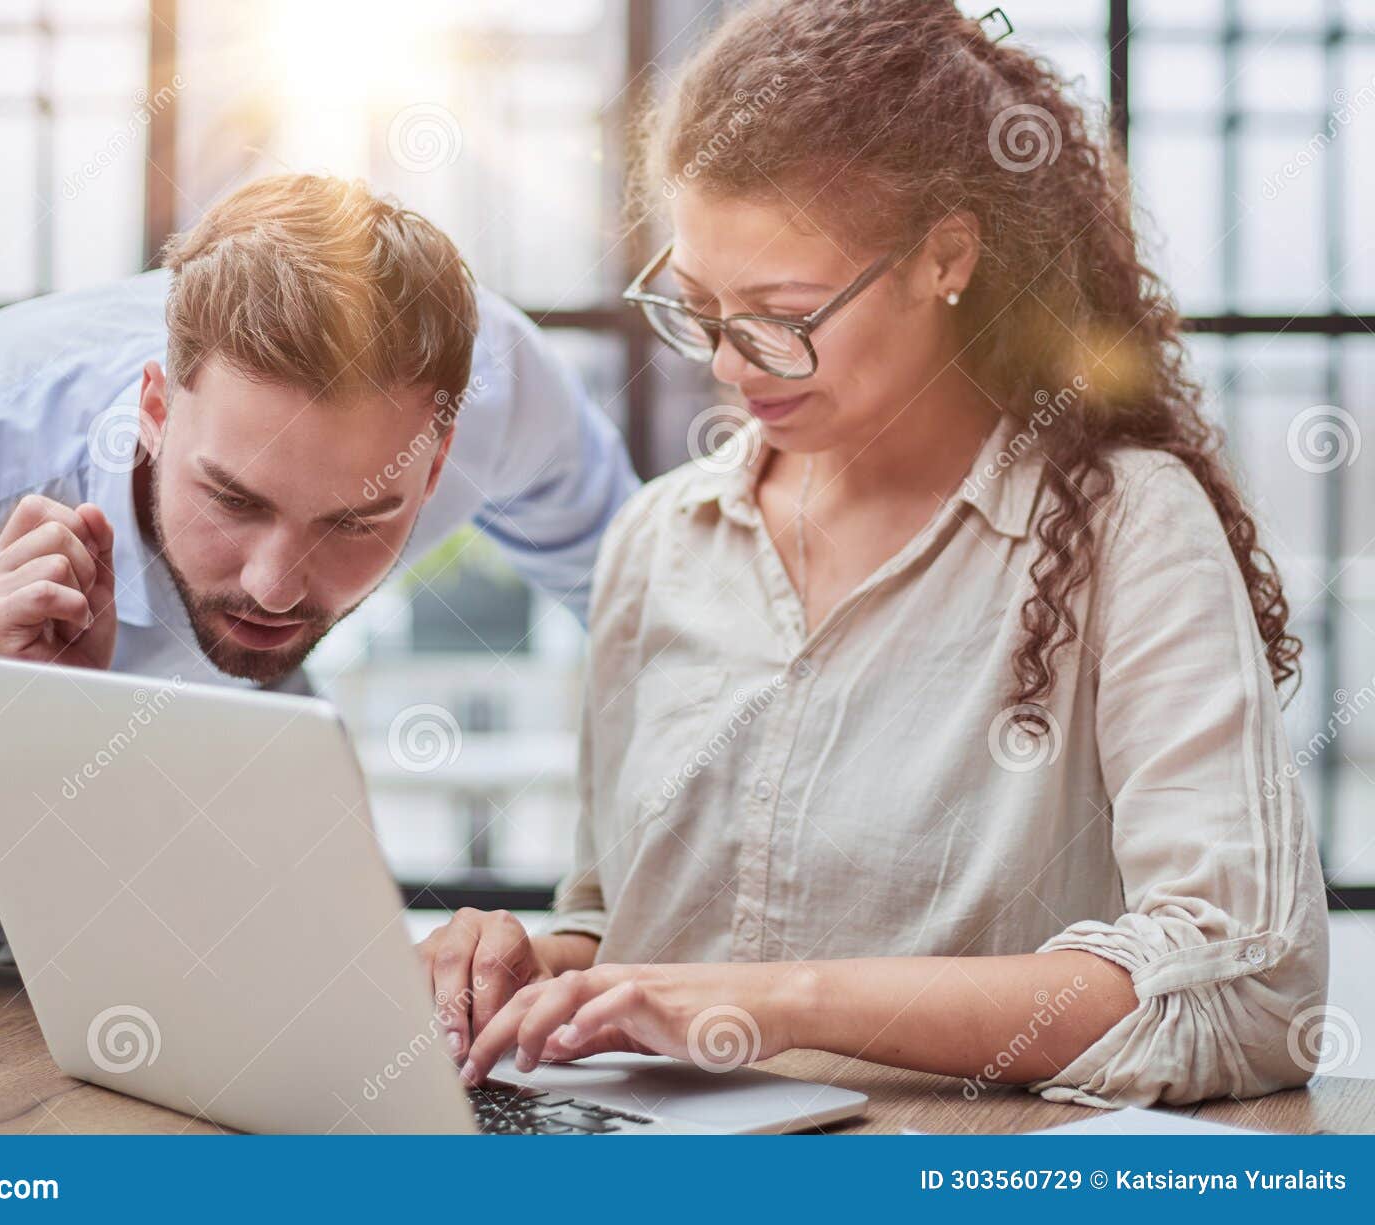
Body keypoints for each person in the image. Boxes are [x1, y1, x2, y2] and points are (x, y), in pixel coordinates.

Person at [420, 0, 1329, 1108]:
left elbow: (1250, 991)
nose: (728, 364)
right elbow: (619, 917)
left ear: (944, 256)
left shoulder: (1123, 529)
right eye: (699, 306)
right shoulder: (660, 540)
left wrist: (778, 1002)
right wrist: (545, 969)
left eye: (781, 311)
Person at [0, 173, 637, 976]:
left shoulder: (496, 392)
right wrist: (39, 722)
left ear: (434, 469)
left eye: (355, 520)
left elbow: (657, 625)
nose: (275, 586)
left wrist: (618, 935)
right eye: (233, 499)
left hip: (289, 777)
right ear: (155, 411)